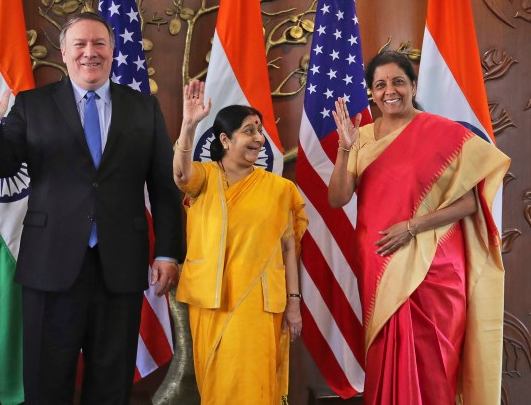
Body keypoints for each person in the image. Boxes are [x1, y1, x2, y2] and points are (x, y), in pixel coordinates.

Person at [0, 12, 182, 405]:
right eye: (79, 44)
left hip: (120, 267)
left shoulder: (143, 108)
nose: (89, 53)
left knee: (112, 384)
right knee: (47, 382)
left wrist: (167, 252)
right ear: (63, 53)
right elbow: (0, 169)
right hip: (50, 267)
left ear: (113, 51)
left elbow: (164, 189)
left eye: (99, 44)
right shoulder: (32, 105)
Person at [328, 51, 510, 404]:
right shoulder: (360, 137)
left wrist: (412, 227)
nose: (389, 91)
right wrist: (344, 149)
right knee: (386, 356)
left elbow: (472, 202)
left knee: (434, 363)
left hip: (436, 265)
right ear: (371, 92)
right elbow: (338, 199)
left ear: (413, 85)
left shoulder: (445, 133)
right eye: (380, 85)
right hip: (380, 263)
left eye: (398, 81)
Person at [172, 80, 307, 404]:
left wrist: (294, 302)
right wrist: (189, 126)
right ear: (225, 139)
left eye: (260, 131)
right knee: (219, 384)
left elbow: (289, 248)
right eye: (249, 131)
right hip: (213, 299)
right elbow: (180, 174)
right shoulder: (205, 177)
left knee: (256, 384)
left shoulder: (279, 188)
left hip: (260, 303)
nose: (259, 138)